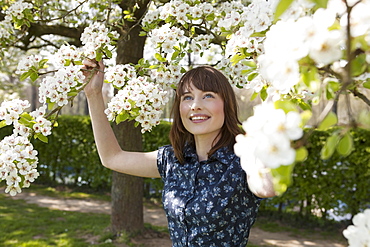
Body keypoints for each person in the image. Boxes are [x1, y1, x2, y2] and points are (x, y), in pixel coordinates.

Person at [83, 59, 276, 246]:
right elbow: (112, 158)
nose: (195, 105)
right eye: (188, 97)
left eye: (208, 95)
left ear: (227, 104)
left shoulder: (242, 157)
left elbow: (266, 189)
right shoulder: (173, 160)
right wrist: (93, 94)